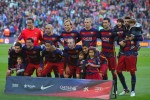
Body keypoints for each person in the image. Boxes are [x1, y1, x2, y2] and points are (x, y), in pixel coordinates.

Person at [117, 18, 143, 97]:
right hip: (123, 53)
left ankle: (132, 91)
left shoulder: (135, 29)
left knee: (132, 72)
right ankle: (125, 88)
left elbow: (141, 38)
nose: (126, 23)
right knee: (118, 71)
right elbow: (118, 38)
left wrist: (133, 38)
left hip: (132, 53)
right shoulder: (123, 30)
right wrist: (119, 42)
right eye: (125, 21)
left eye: (128, 21)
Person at [98, 18, 118, 94]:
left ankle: (115, 89)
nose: (104, 24)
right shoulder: (101, 32)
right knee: (104, 72)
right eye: (103, 23)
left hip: (111, 55)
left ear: (109, 23)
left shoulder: (112, 32)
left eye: (106, 22)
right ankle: (105, 89)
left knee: (113, 72)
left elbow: (118, 38)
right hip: (103, 55)